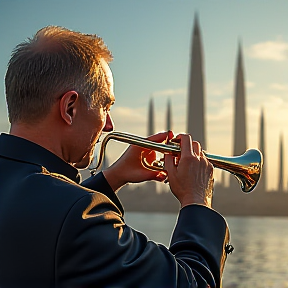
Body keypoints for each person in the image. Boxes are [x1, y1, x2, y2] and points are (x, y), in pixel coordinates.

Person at [0, 26, 232, 288]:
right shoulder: (80, 216)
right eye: (105, 106)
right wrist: (197, 200)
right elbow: (195, 283)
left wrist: (112, 178)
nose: (109, 125)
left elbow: (45, 218)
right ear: (70, 108)